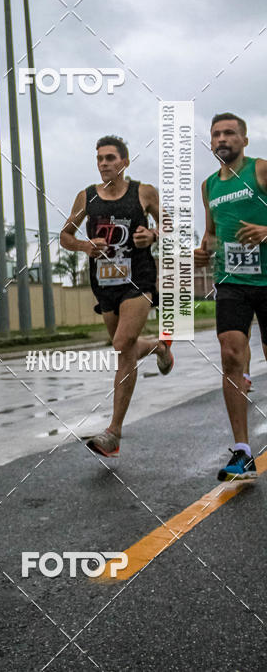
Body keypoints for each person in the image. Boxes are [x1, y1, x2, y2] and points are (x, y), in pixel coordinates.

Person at [60, 135, 173, 458]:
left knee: (122, 345)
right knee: (126, 347)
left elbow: (166, 224)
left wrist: (151, 234)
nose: (104, 163)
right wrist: (86, 245)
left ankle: (114, 432)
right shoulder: (87, 197)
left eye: (110, 158)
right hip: (105, 282)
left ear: (124, 162)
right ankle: (158, 346)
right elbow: (65, 236)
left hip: (138, 278)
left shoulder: (143, 192)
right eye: (99, 158)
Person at [195, 112, 267, 481]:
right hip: (232, 281)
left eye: (229, 133)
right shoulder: (208, 185)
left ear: (244, 139)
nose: (222, 139)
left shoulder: (261, 170)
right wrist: (203, 250)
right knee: (230, 354)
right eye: (216, 134)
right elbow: (210, 232)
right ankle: (242, 451)